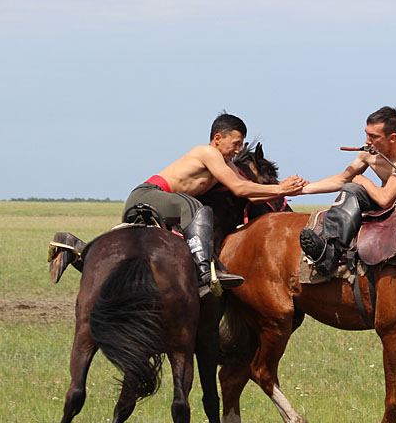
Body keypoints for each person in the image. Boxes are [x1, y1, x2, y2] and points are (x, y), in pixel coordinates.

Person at [123, 112, 306, 294]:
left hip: (169, 202)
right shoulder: (208, 152)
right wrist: (281, 190)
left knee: (191, 204)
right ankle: (204, 272)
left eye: (241, 145)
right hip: (146, 195)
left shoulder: (227, 164)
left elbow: (250, 194)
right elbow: (238, 188)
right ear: (217, 138)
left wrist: (283, 190)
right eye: (235, 144)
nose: (237, 150)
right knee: (194, 206)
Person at [299, 106, 396, 276]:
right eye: (367, 134)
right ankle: (328, 250)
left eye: (374, 136)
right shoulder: (370, 151)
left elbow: (385, 198)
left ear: (393, 138)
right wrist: (302, 189)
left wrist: (364, 181)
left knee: (355, 187)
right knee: (351, 189)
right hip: (385, 201)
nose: (367, 141)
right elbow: (343, 179)